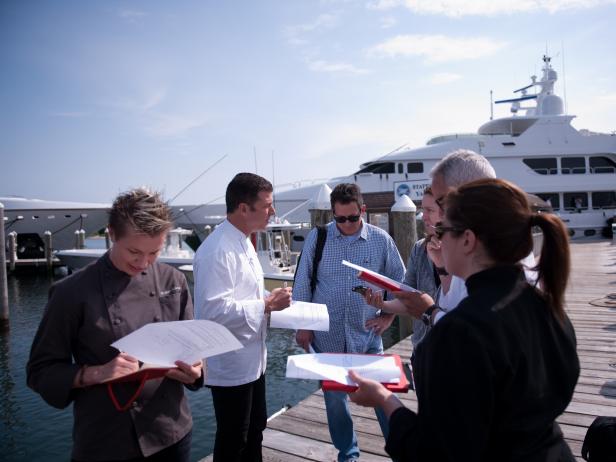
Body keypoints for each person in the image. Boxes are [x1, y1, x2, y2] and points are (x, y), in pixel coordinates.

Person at [348, 178, 580, 461]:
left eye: (444, 229)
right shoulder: (548, 307)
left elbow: (434, 452)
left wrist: (384, 400)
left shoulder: (460, 333)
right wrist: (430, 311)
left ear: (468, 240)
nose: (438, 237)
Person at [27, 188, 204, 462]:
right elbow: (39, 372)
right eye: (134, 251)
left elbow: (192, 348)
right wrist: (95, 373)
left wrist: (195, 370)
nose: (143, 262)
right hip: (106, 441)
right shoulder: (71, 292)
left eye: (154, 252)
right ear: (111, 234)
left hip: (172, 431)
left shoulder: (174, 281)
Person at [293, 183, 405, 462]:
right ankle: (348, 454)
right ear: (333, 214)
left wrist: (389, 315)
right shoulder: (317, 239)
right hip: (327, 339)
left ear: (362, 211)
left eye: (353, 218)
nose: (346, 224)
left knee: (383, 395)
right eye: (340, 218)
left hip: (367, 336)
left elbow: (401, 284)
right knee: (334, 402)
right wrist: (303, 325)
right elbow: (303, 282)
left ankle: (402, 450)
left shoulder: (382, 240)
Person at [193, 172, 292, 462]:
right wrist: (266, 304)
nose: (273, 212)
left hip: (253, 359)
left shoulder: (245, 241)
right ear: (243, 207)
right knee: (233, 439)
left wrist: (277, 306)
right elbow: (212, 312)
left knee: (255, 431)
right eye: (267, 205)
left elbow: (250, 294)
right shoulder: (216, 250)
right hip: (231, 363)